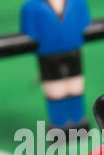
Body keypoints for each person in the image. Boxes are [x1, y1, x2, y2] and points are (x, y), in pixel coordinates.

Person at [21, 0, 91, 134]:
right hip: (48, 54)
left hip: (73, 49)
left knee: (76, 86)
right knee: (55, 90)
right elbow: (29, 31)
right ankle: (59, 124)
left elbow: (84, 22)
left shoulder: (78, 3)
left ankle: (78, 121)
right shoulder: (31, 7)